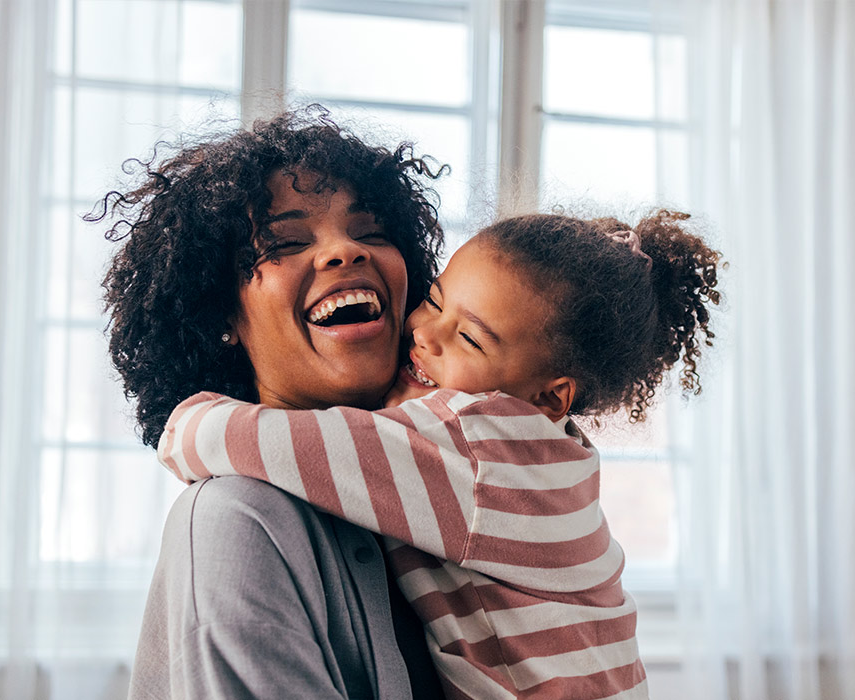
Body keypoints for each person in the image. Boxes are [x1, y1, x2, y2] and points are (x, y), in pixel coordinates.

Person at [157, 210, 723, 698]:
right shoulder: (546, 453)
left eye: (470, 340)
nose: (425, 334)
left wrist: (186, 422)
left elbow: (263, 442)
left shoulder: (476, 448)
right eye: (434, 300)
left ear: (549, 397)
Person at [91, 106, 449, 699]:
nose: (345, 252)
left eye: (371, 232)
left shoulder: (440, 486)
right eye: (283, 241)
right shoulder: (235, 520)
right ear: (222, 314)